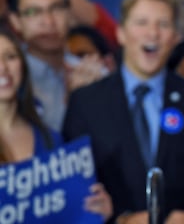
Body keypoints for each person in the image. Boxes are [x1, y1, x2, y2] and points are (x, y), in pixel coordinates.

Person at [62, 0, 184, 223]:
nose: (152, 33)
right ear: (120, 33)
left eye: (163, 24)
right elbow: (77, 186)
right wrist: (119, 219)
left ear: (176, 37)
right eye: (141, 22)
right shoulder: (85, 102)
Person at [0, 29, 113, 221]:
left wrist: (100, 209)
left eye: (10, 57)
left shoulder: (51, 139)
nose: (3, 68)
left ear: (22, 65)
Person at [7, 0, 106, 131]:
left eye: (57, 8)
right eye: (33, 12)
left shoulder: (90, 73)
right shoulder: (10, 77)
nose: (48, 21)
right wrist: (77, 102)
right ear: (15, 20)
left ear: (69, 12)